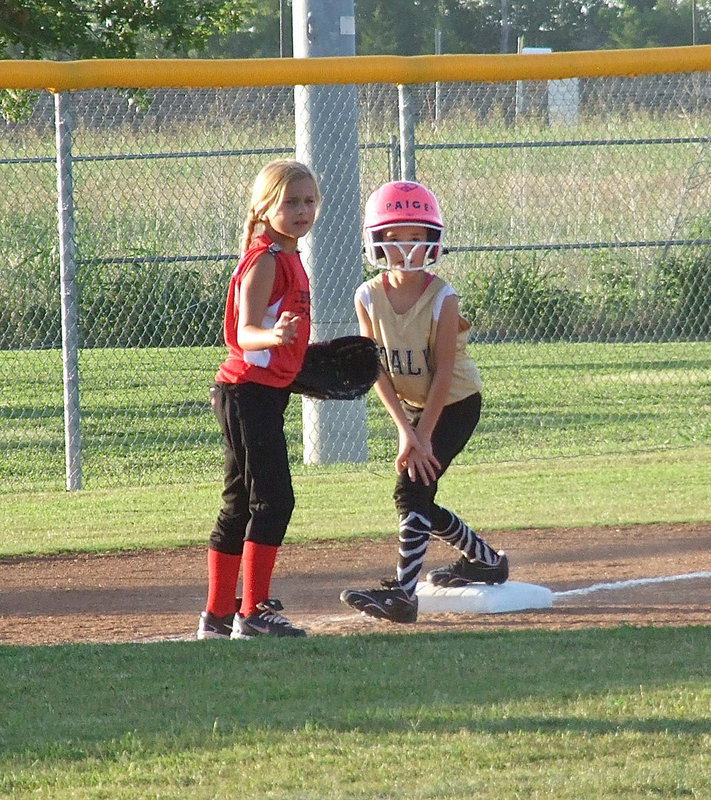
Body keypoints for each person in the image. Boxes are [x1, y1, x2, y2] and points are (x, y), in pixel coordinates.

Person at [340, 180, 508, 624]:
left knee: (411, 490)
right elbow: (375, 369)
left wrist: (425, 435)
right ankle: (486, 561)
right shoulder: (367, 296)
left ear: (432, 240)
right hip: (415, 409)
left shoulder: (442, 297)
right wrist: (406, 432)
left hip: (455, 403)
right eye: (394, 238)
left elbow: (445, 372)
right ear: (377, 241)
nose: (406, 249)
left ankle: (403, 594)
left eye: (416, 236)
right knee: (418, 498)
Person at [197, 159, 321, 640]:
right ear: (265, 207)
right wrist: (275, 337)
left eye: (309, 201)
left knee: (241, 503)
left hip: (259, 392)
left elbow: (279, 342)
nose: (302, 210)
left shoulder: (288, 255)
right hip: (246, 392)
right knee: (273, 500)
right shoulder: (266, 258)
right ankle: (252, 612)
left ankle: (218, 615)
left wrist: (301, 362)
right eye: (290, 202)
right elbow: (244, 333)